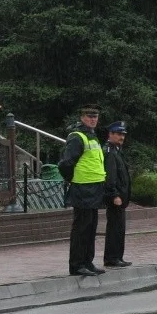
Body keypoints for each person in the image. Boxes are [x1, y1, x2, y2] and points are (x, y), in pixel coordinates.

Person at [58, 104, 107, 277]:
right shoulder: (77, 137)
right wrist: (71, 179)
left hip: (94, 187)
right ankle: (77, 265)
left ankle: (88, 261)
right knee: (81, 228)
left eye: (95, 117)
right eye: (89, 116)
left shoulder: (92, 136)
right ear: (82, 118)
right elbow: (66, 163)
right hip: (83, 188)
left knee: (91, 227)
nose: (93, 119)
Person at [103, 121, 132, 267]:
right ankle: (112, 257)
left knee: (119, 228)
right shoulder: (109, 152)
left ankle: (117, 256)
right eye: (119, 134)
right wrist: (114, 195)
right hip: (116, 197)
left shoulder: (116, 150)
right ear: (111, 134)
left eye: (123, 134)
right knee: (115, 228)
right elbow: (110, 176)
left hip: (121, 196)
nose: (122, 137)